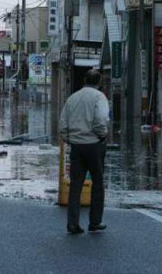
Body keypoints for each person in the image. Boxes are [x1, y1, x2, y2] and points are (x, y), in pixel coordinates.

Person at [59, 69, 109, 234]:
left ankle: (72, 223)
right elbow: (101, 120)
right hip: (94, 144)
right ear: (99, 82)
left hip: (76, 146)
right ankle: (95, 221)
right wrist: (102, 135)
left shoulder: (72, 98)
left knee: (75, 185)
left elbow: (63, 124)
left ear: (84, 80)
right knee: (98, 183)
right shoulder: (99, 97)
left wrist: (69, 138)